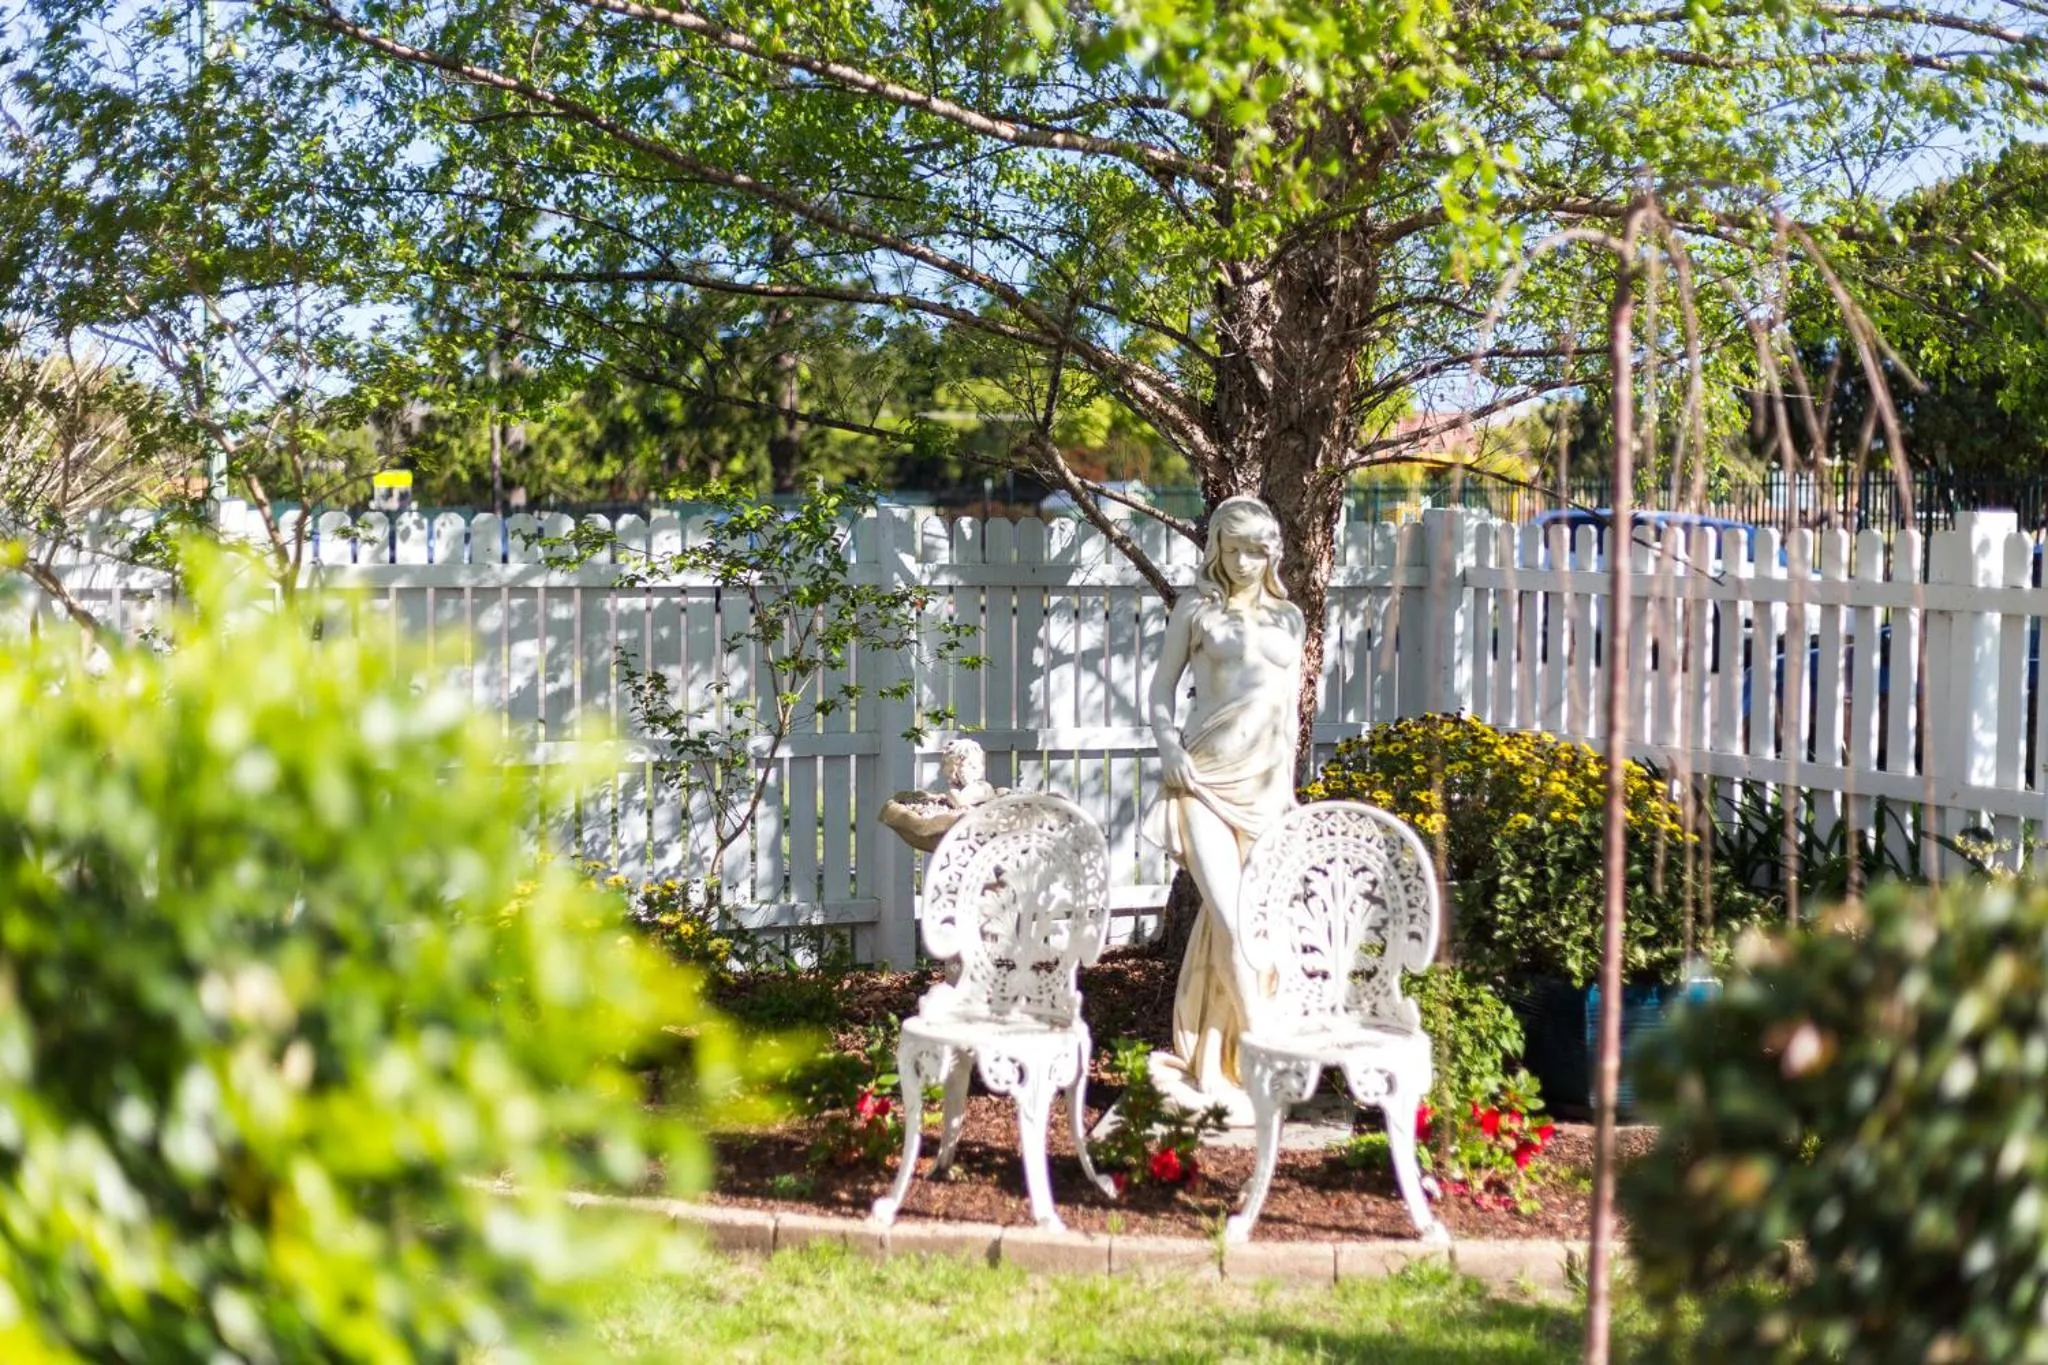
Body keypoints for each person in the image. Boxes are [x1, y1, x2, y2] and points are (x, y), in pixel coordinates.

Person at [1143, 496, 1306, 1103]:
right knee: (1236, 924)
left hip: (1265, 789)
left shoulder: (1290, 618)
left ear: (1272, 553)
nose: (1242, 562)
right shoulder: (1196, 610)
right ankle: (1265, 1056)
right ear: (1215, 548)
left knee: (1254, 925)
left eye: (1255, 551)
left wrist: (1288, 789)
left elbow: (1287, 715)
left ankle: (1220, 1056)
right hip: (1204, 781)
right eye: (1232, 549)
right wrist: (1168, 749)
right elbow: (1161, 691)